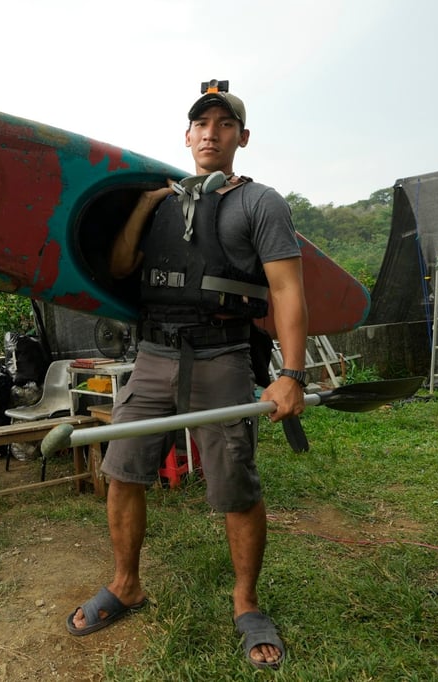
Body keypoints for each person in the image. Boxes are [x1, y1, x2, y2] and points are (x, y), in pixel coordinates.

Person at [65, 81, 308, 671]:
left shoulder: (261, 202)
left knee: (235, 488)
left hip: (222, 356)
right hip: (152, 356)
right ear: (186, 135)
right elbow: (123, 266)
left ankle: (246, 604)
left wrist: (292, 374)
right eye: (201, 124)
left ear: (241, 138)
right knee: (122, 471)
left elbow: (287, 289)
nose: (211, 133)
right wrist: (147, 205)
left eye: (225, 124)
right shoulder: (160, 204)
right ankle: (126, 585)